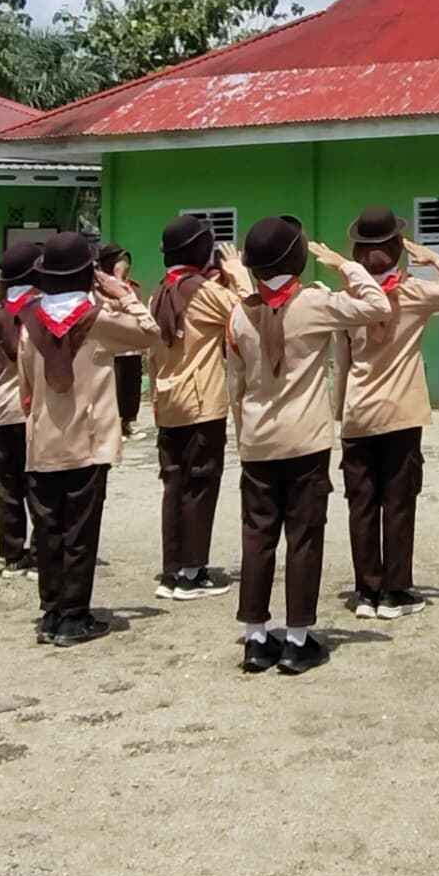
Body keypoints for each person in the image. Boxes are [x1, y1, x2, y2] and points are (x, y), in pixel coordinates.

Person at [221, 216, 391, 675]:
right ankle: (297, 639)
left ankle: (256, 637)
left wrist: (242, 432)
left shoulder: (239, 314)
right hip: (305, 442)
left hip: (258, 442)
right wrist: (344, 266)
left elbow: (235, 383)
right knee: (303, 538)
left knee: (257, 539)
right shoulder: (314, 303)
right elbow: (377, 304)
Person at [10, 231, 157, 646]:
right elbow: (149, 333)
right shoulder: (97, 321)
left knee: (49, 530)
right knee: (80, 532)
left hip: (43, 442)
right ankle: (75, 616)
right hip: (87, 443)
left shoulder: (29, 322)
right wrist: (123, 293)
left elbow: (25, 386)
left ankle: (52, 612)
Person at [340, 208, 439, 619]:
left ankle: (365, 591)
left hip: (358, 413)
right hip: (401, 412)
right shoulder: (414, 292)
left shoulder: (348, 297)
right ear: (397, 249)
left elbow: (342, 358)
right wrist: (435, 258)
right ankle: (395, 590)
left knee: (361, 503)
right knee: (398, 501)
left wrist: (340, 411)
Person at [146, 214, 243, 601]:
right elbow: (247, 313)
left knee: (174, 487)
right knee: (200, 486)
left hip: (168, 399)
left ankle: (172, 569)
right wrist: (237, 274)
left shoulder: (159, 292)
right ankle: (192, 572)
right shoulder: (202, 291)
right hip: (202, 402)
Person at [0, 243, 45, 579]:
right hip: (33, 405)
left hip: (4, 406)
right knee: (39, 483)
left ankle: (13, 553)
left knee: (6, 483)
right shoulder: (41, 310)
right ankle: (42, 551)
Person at [99, 244, 144, 431]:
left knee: (131, 385)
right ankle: (115, 424)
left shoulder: (133, 286)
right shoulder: (102, 287)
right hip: (114, 346)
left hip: (132, 345)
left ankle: (127, 421)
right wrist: (117, 280)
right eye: (121, 262)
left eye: (127, 263)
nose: (125, 267)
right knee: (115, 386)